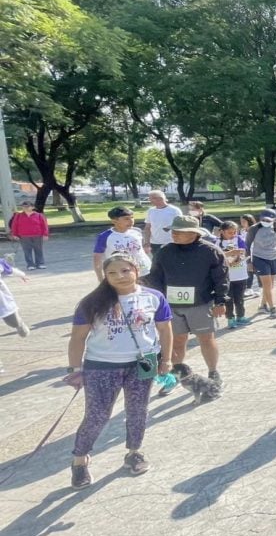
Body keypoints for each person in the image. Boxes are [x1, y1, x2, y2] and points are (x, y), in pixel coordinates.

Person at [67, 254, 173, 489]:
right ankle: (79, 460)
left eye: (125, 271)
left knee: (138, 410)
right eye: (112, 273)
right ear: (105, 276)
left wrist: (166, 360)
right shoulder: (92, 302)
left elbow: (165, 330)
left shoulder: (154, 297)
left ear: (136, 269)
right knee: (97, 415)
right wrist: (76, 369)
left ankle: (134, 452)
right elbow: (78, 338)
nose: (120, 277)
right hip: (102, 366)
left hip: (143, 363)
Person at [143, 215, 228, 387]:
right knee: (177, 341)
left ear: (193, 233)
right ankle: (176, 374)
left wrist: (220, 301)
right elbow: (155, 277)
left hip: (201, 304)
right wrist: (158, 301)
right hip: (171, 306)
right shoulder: (165, 251)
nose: (174, 234)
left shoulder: (211, 251)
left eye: (179, 232)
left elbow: (222, 278)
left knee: (206, 338)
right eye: (173, 231)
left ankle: (213, 371)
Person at [246, 209, 276, 319]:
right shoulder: (254, 229)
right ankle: (273, 308)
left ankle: (263, 305)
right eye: (264, 219)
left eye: (269, 220)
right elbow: (247, 245)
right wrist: (249, 262)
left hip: (274, 256)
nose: (266, 221)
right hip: (260, 257)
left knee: (270, 285)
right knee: (267, 285)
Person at [93, 206, 151, 281]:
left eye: (132, 217)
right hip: (123, 274)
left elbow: (140, 250)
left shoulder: (137, 231)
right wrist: (100, 278)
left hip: (145, 271)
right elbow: (97, 258)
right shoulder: (105, 236)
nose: (131, 221)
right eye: (126, 219)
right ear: (114, 221)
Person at [215, 221, 252, 329]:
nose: (233, 234)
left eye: (234, 232)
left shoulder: (238, 239)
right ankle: (230, 318)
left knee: (239, 298)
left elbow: (244, 251)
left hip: (240, 274)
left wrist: (238, 255)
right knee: (228, 299)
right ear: (222, 232)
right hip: (226, 276)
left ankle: (241, 316)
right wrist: (229, 254)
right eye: (230, 232)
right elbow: (216, 255)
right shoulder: (216, 242)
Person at [9, 200, 49, 270]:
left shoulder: (39, 215)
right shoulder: (18, 216)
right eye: (24, 207)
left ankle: (40, 263)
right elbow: (14, 225)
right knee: (27, 251)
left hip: (37, 235)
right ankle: (30, 265)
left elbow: (44, 225)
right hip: (24, 236)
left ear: (32, 207)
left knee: (38, 250)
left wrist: (45, 234)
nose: (26, 208)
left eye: (28, 206)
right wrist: (14, 234)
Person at [143, 190, 182, 256]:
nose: (149, 201)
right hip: (155, 244)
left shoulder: (174, 210)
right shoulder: (150, 211)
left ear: (159, 198)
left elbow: (180, 226)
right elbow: (147, 228)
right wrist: (147, 242)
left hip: (171, 243)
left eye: (151, 198)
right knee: (157, 264)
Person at [0, 256, 31, 337]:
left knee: (12, 321)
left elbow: (10, 270)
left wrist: (22, 275)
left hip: (1, 299)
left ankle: (19, 325)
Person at [238, 214, 259, 299]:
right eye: (241, 221)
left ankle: (260, 288)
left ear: (249, 221)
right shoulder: (242, 231)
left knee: (257, 270)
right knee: (248, 270)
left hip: (254, 252)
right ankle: (249, 288)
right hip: (245, 253)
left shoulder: (254, 230)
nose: (242, 223)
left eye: (244, 221)